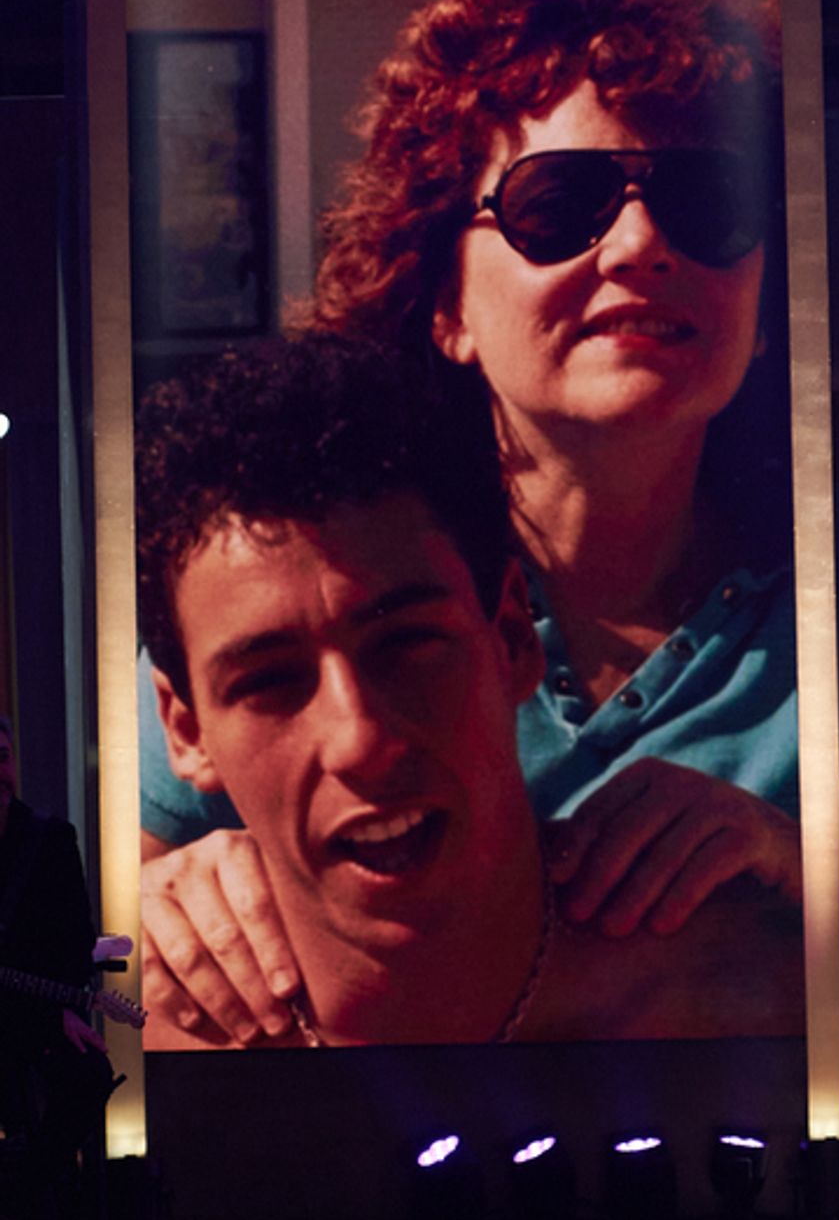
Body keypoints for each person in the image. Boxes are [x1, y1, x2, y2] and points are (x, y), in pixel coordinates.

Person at [137, 0, 800, 1049]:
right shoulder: (304, 582)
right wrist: (149, 909)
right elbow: (90, 965)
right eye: (558, 204)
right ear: (439, 293)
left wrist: (801, 872)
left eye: (704, 199)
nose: (640, 242)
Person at [136, 336, 801, 1046]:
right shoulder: (124, 1057)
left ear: (513, 639)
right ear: (184, 731)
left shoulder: (756, 1010)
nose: (360, 738)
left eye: (408, 645)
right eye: (270, 681)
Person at [0, 712, 113, 1220]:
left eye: (2, 756)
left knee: (90, 1074)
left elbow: (76, 939)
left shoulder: (48, 840)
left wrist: (65, 1006)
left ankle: (28, 1186)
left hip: (36, 1015)